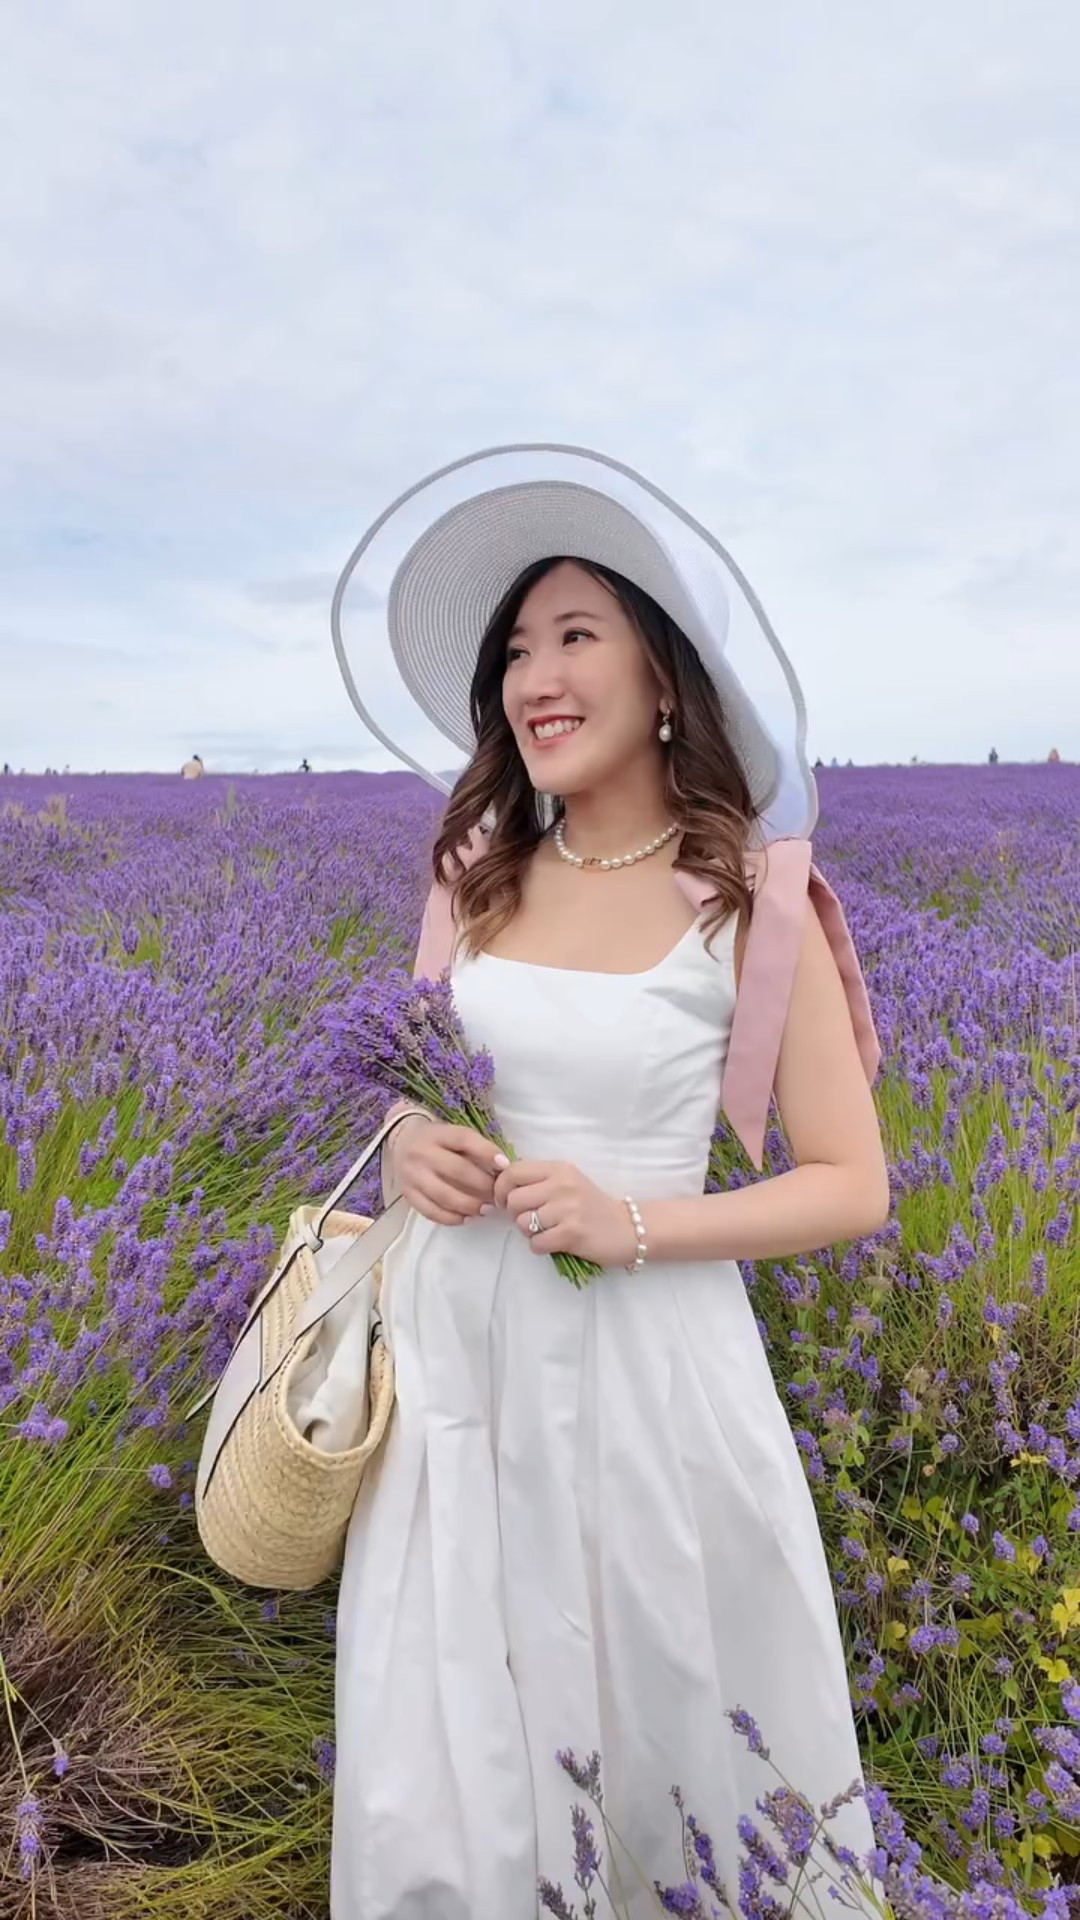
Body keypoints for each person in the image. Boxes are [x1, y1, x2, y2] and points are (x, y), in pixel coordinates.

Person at [311, 445, 890, 1918]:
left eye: (576, 635)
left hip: (650, 1372)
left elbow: (848, 1183)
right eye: (516, 649)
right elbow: (418, 1072)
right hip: (460, 1363)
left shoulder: (753, 895)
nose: (535, 678)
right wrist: (411, 1141)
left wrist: (637, 1222)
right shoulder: (474, 868)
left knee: (673, 1730)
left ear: (665, 677)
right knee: (456, 1749)